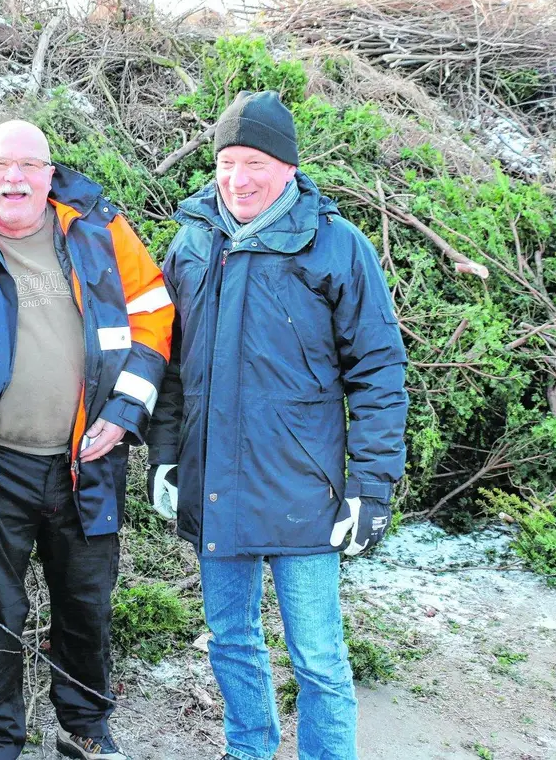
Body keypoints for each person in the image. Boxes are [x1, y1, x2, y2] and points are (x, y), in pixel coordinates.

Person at [146, 91, 409, 760]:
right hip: (215, 485)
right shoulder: (190, 243)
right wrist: (166, 458)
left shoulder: (338, 248)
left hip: (305, 493)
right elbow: (170, 367)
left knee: (318, 658)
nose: (239, 178)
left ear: (288, 167)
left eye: (256, 162)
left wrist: (371, 490)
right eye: (228, 161)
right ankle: (250, 750)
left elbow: (379, 374)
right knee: (230, 639)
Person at [0, 120, 174, 760]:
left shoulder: (98, 231)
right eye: (0, 165)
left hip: (87, 462)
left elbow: (154, 312)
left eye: (30, 166)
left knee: (85, 609)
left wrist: (124, 411)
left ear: (49, 174)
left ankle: (85, 732)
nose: (15, 178)